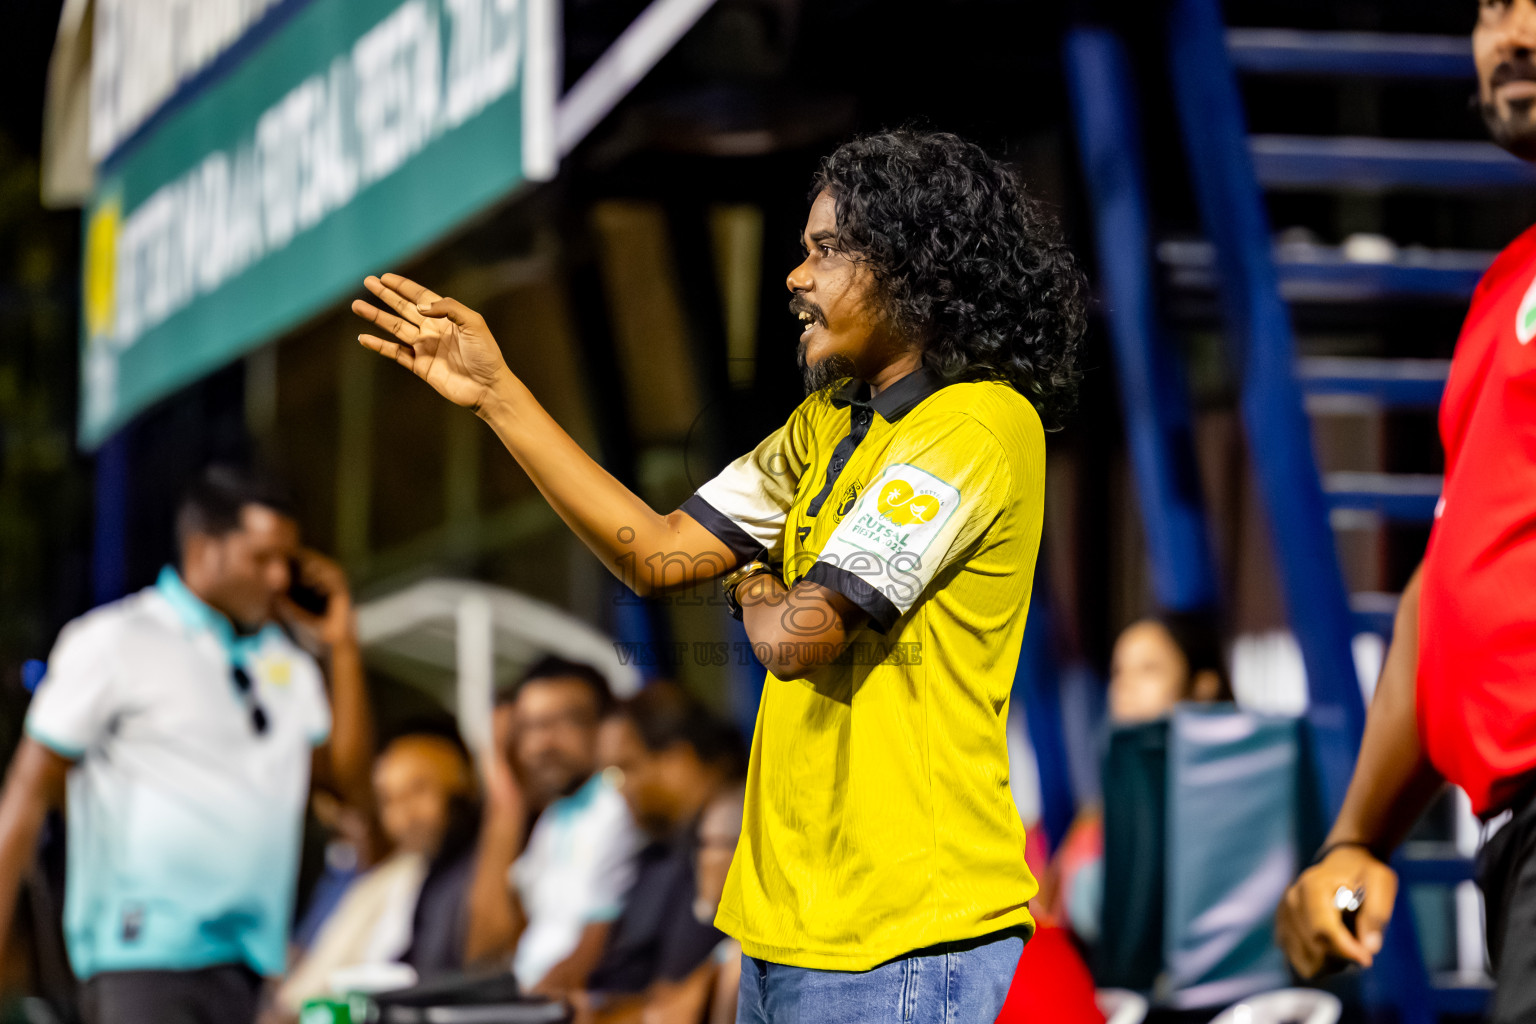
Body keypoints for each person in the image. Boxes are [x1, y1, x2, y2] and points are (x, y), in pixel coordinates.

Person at [351, 128, 1085, 1021]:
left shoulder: (976, 425)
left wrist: (751, 579)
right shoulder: (824, 427)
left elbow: (798, 637)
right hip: (780, 930)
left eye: (824, 250)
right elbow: (656, 552)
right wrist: (500, 393)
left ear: (910, 267)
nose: (795, 277)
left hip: (903, 932)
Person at [1275, 4, 1536, 1020]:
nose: (1504, 34)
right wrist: (1356, 837)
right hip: (1509, 836)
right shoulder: (1500, 287)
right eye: (1484, 6)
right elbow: (1446, 580)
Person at [0, 465, 373, 1024]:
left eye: (288, 564)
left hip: (249, 969)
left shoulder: (286, 665)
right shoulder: (116, 638)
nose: (278, 579)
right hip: (144, 964)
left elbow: (345, 786)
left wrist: (342, 648)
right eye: (261, 558)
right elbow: (28, 792)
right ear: (204, 549)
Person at [464, 656, 640, 993]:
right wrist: (504, 794)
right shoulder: (554, 816)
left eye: (564, 722)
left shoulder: (616, 806)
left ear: (605, 726)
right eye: (529, 726)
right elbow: (486, 948)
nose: (543, 744)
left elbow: (587, 958)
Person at [279, 730, 479, 1011]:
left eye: (419, 789)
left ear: (463, 785)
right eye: (390, 800)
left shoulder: (476, 870)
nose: (404, 815)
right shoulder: (393, 877)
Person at [580, 684, 743, 1017]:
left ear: (678, 760)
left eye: (623, 769)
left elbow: (671, 1003)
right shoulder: (661, 853)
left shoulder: (723, 843)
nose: (618, 790)